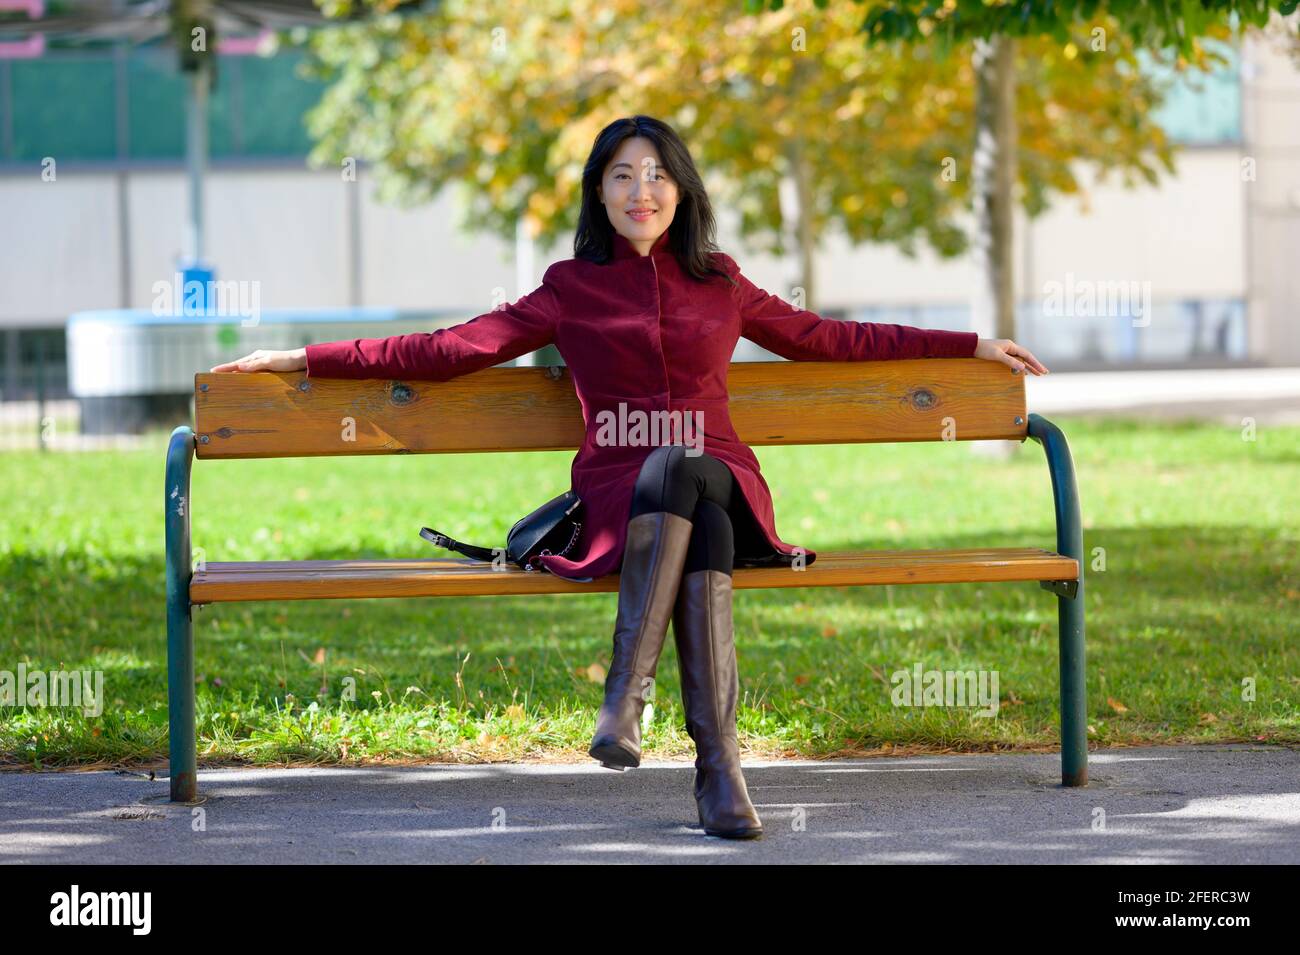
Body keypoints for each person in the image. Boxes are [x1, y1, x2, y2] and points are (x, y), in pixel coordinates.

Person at [212, 115, 1048, 840]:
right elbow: (446, 350)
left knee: (689, 468)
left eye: (656, 174)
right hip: (624, 499)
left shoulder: (720, 281)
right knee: (690, 511)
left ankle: (624, 701)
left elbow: (831, 338)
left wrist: (968, 345)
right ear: (601, 195)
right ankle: (720, 772)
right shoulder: (569, 288)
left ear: (680, 191)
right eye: (622, 176)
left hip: (721, 474)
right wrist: (305, 357)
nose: (641, 189)